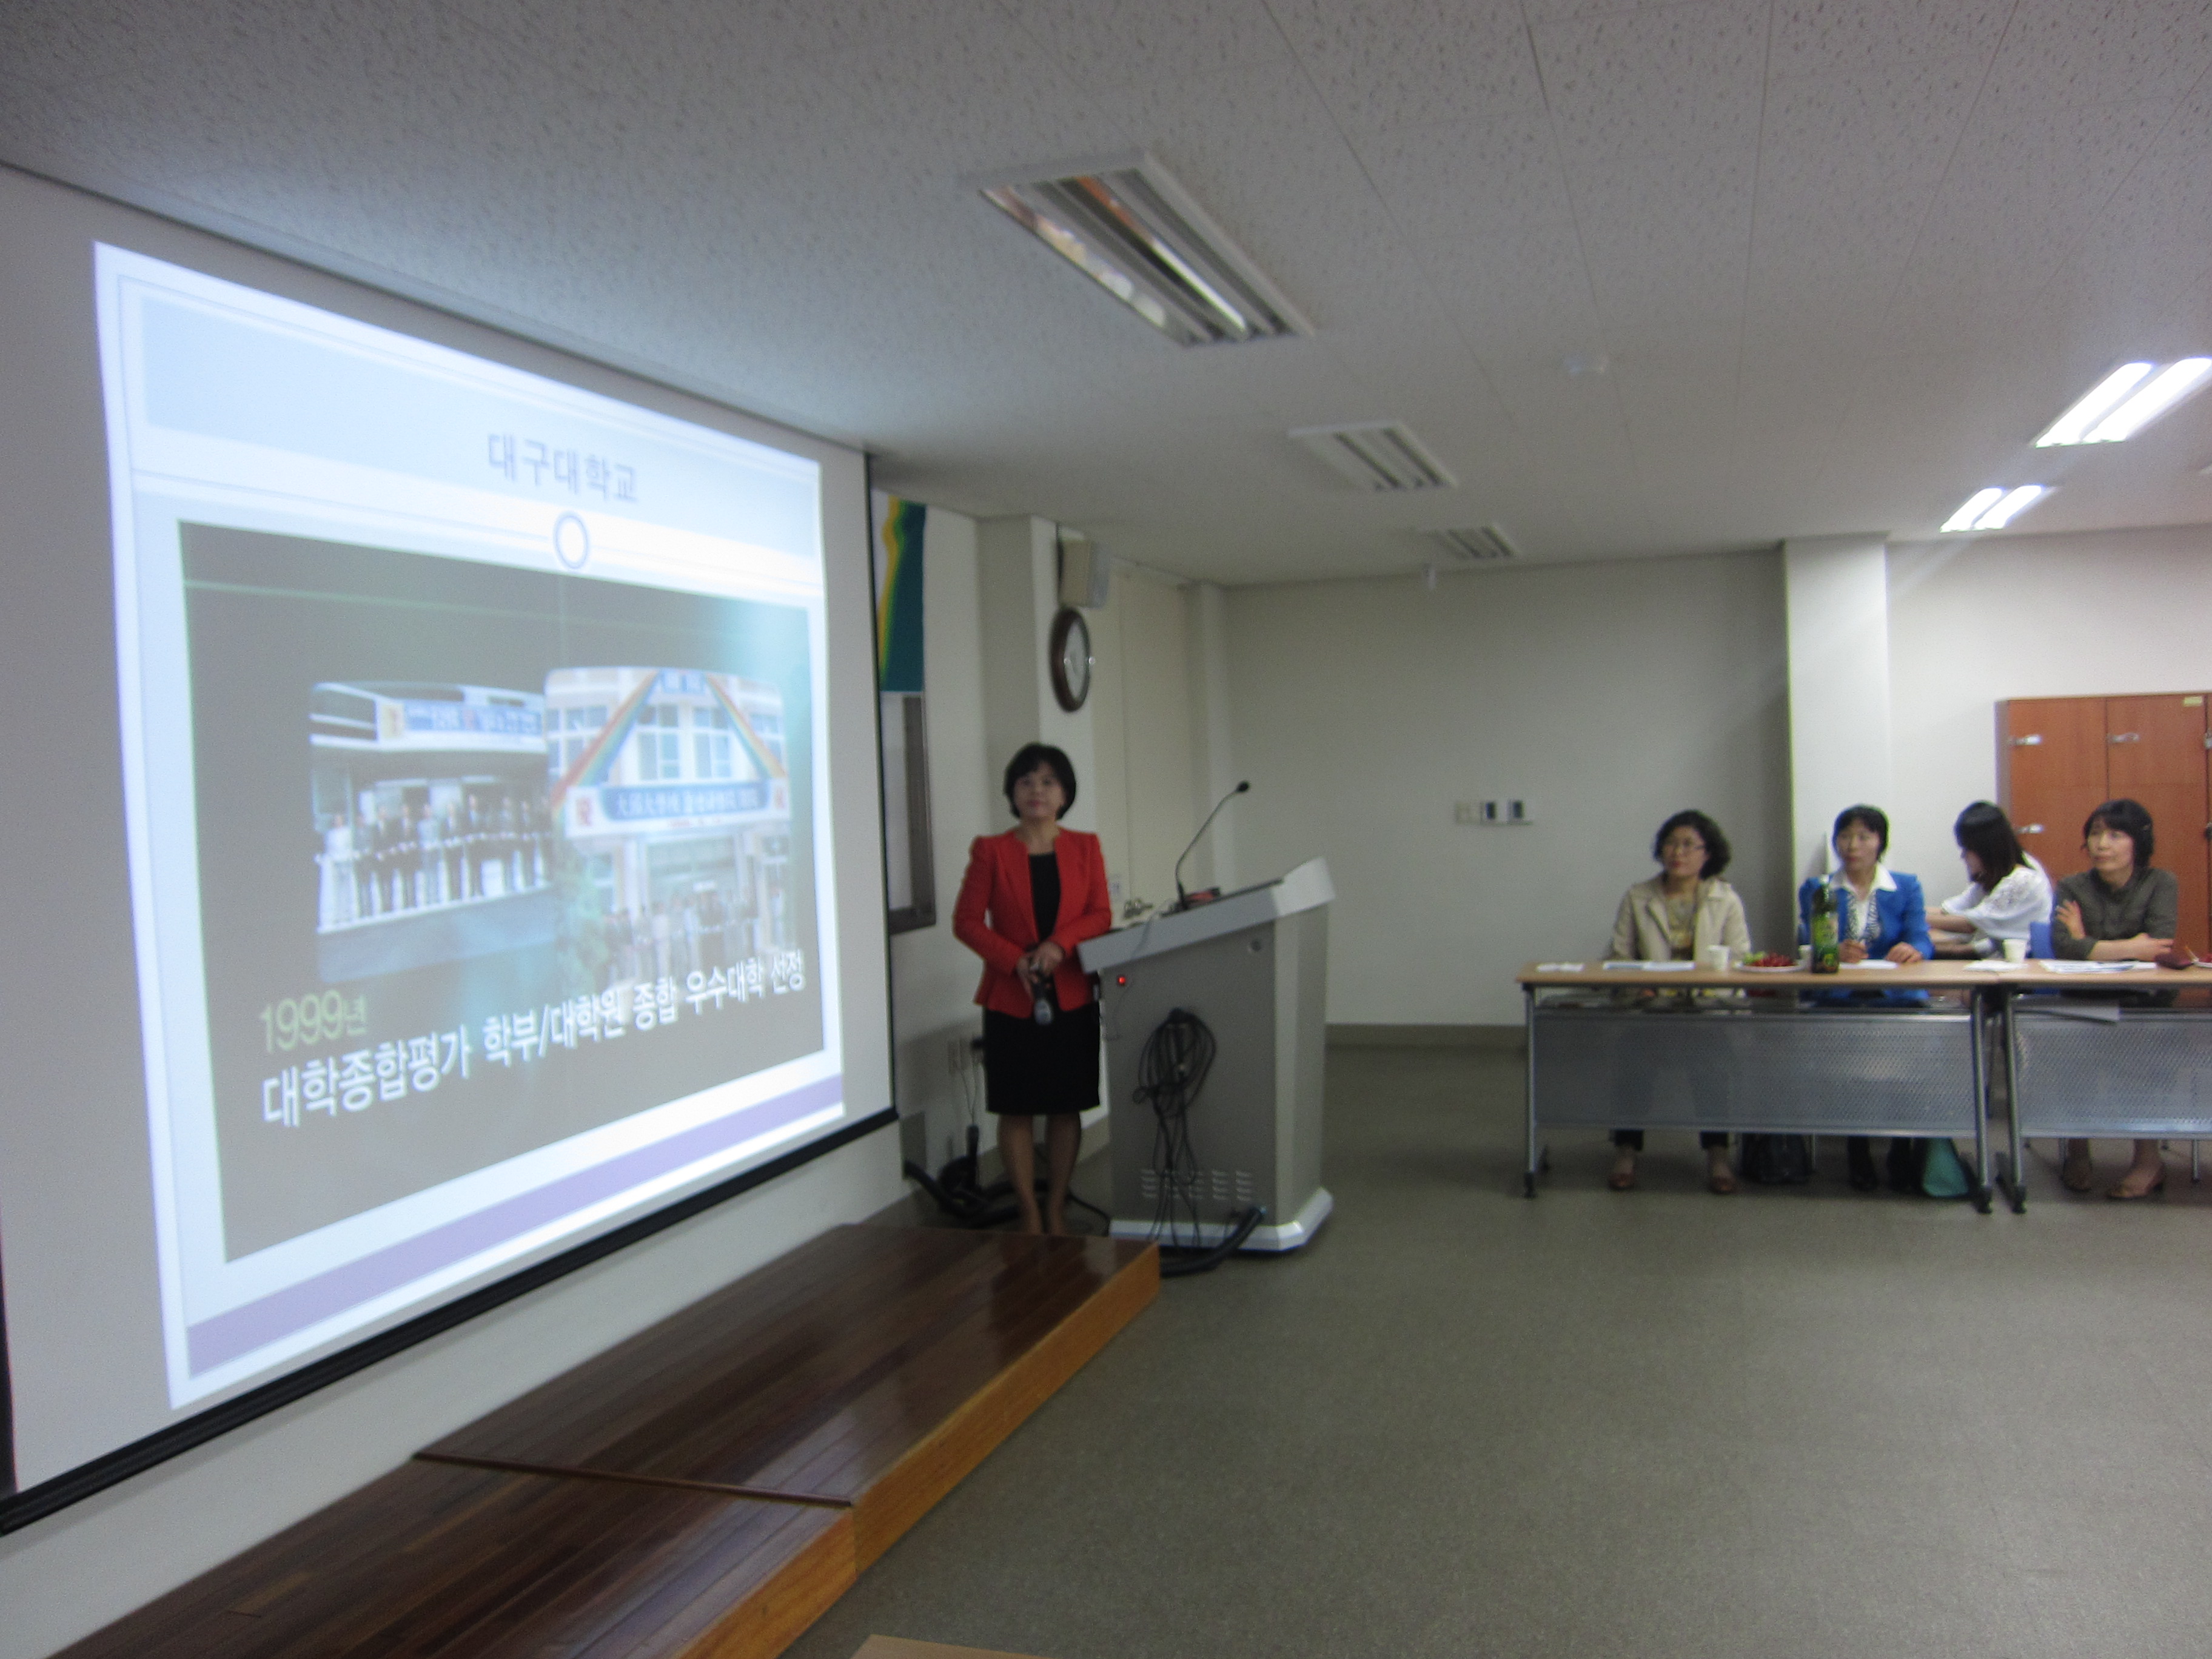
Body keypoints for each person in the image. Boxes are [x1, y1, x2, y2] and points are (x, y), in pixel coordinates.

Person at [952, 743, 1113, 1235]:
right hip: (1011, 998)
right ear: (1012, 794)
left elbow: (1100, 915)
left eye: (1047, 782)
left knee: (1066, 1106)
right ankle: (1028, 1211)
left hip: (1071, 994)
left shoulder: (1086, 847)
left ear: (1064, 794)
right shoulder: (991, 851)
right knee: (1016, 1108)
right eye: (1025, 782)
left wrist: (1060, 946)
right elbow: (966, 922)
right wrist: (1014, 960)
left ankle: (1057, 1206)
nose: (1036, 791)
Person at [1605, 809, 1752, 1194]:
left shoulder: (1724, 898)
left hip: (1705, 1013)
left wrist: (1711, 993)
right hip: (1650, 1011)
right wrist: (1639, 989)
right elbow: (1619, 957)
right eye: (1671, 843)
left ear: (1708, 853)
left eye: (1689, 845)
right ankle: (1626, 1152)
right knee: (1632, 1062)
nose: (1678, 853)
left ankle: (1717, 1155)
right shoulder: (1639, 896)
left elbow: (1739, 959)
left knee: (1714, 1065)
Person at [1795, 805, 1934, 1192]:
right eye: (1845, 836)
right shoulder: (1818, 888)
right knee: (1850, 1070)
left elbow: (1922, 937)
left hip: (1897, 997)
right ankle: (1857, 1149)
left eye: (1863, 837)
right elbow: (1809, 943)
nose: (1852, 846)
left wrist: (1913, 949)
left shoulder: (1905, 886)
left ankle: (1901, 1150)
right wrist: (1831, 950)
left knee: (1912, 1066)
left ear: (1880, 842)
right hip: (1840, 998)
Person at [2050, 798, 2180, 1199]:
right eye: (2095, 834)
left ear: (2138, 842)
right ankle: (2078, 1152)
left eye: (2114, 835)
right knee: (2074, 1059)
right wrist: (2129, 947)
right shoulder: (2072, 886)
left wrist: (2089, 943)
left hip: (2144, 1000)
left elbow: (2157, 946)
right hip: (2085, 997)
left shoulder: (2161, 883)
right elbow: (2064, 947)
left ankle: (2148, 1161)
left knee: (2145, 1062)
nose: (2101, 844)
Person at [1928, 802, 2050, 957]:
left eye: (1967, 849)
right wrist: (1910, 910)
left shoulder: (2023, 879)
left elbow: (1968, 924)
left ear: (1986, 849)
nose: (1963, 856)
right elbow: (1949, 911)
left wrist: (1914, 919)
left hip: (2023, 961)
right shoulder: (1995, 874)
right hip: (1994, 954)